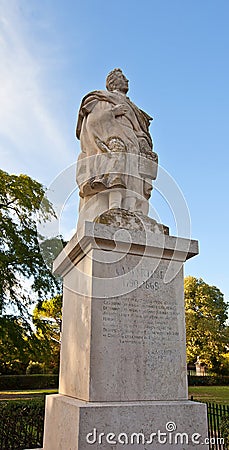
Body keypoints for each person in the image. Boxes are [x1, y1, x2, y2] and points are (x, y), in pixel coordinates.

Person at [76, 68, 158, 216]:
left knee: (134, 179)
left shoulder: (135, 109)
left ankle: (133, 211)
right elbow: (92, 122)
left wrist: (144, 143)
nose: (127, 80)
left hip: (134, 144)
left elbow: (141, 130)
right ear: (112, 82)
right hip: (114, 142)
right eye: (122, 77)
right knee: (116, 173)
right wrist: (112, 113)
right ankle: (114, 207)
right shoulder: (101, 99)